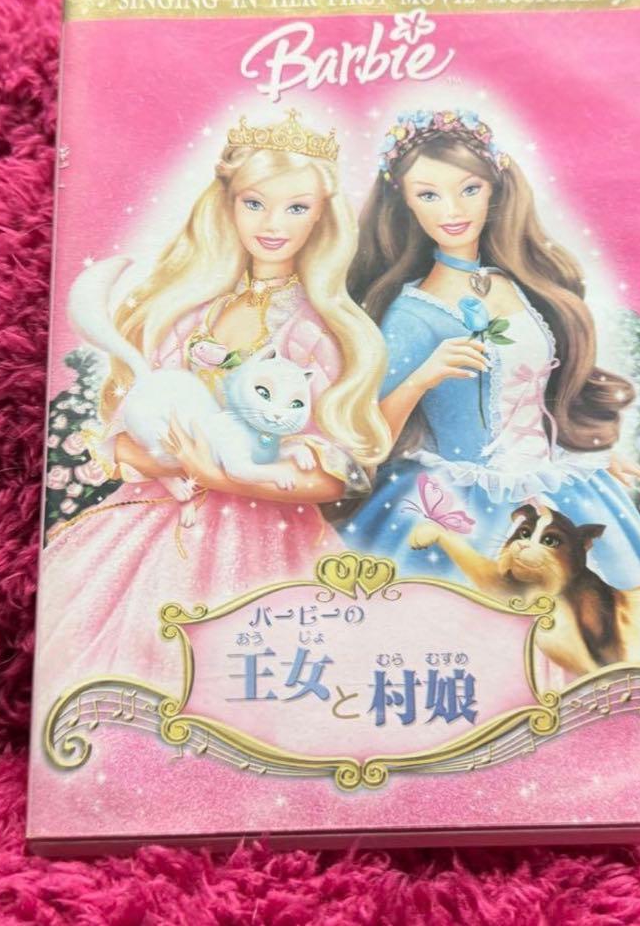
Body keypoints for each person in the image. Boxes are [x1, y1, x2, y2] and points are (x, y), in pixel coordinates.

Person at [36, 109, 391, 702]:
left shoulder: (314, 332)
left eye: (296, 208)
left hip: (263, 537)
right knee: (119, 670)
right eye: (255, 203)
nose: (273, 224)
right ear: (227, 205)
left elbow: (333, 478)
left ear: (321, 217)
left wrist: (220, 474)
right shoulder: (188, 311)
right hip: (150, 524)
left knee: (253, 680)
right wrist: (146, 455)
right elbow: (125, 432)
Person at [339, 108, 640, 591]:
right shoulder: (411, 315)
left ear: (495, 189)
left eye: (469, 189)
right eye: (429, 195)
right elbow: (370, 442)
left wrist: (585, 457)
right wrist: (422, 378)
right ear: (405, 204)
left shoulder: (516, 282)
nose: (452, 210)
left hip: (560, 487)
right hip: (463, 501)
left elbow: (538, 396)